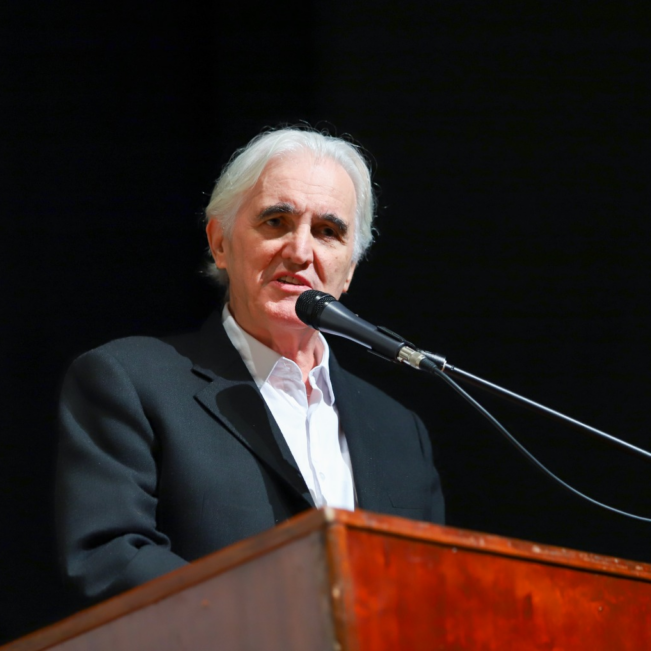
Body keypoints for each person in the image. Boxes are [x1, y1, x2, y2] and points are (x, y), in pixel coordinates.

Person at [55, 128, 444, 602]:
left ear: (349, 270)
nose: (300, 252)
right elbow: (112, 557)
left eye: (328, 232)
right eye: (276, 221)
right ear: (220, 243)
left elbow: (432, 594)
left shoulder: (401, 432)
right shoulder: (131, 382)